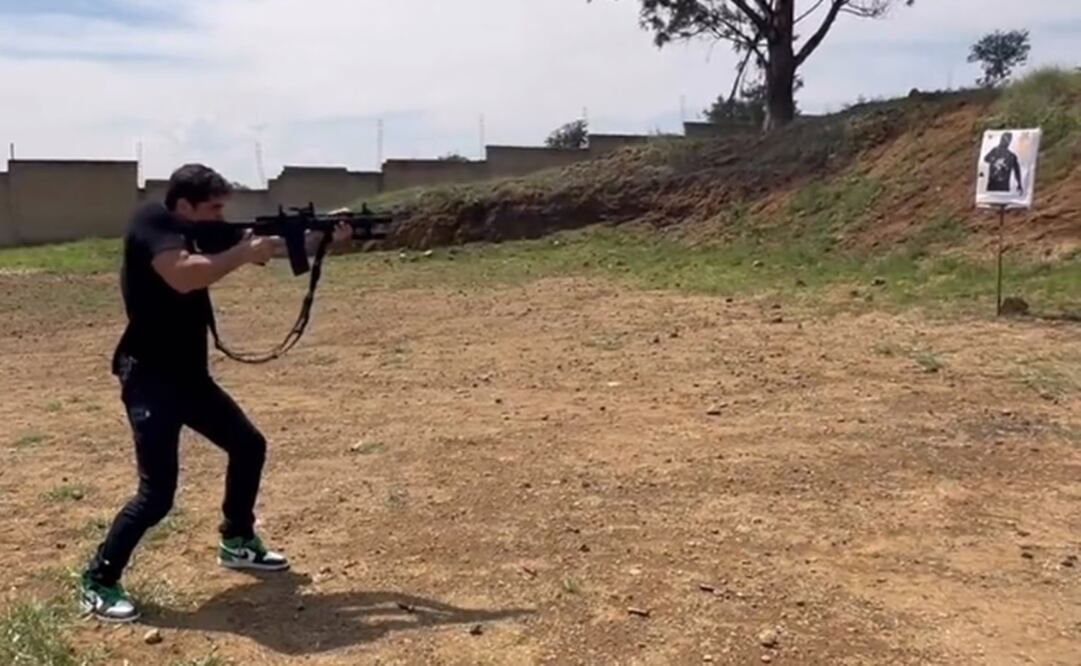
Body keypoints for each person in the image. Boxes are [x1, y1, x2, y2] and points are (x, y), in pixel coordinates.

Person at [78, 163, 351, 623]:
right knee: (157, 495)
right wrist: (245, 253)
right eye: (214, 207)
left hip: (189, 378)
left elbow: (280, 246)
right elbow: (184, 275)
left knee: (248, 445)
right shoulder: (152, 223)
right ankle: (98, 579)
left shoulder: (204, 231)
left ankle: (237, 539)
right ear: (184, 204)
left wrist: (325, 237)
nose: (221, 215)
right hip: (150, 378)